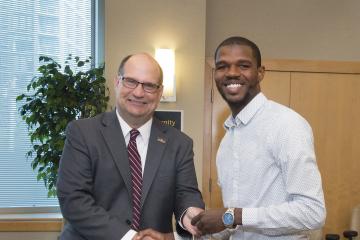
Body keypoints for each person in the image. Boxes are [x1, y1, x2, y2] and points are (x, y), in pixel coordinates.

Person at [57, 53, 204, 240]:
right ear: (117, 82)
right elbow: (74, 200)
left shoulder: (180, 143)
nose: (139, 92)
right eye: (131, 81)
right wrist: (129, 237)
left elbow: (186, 193)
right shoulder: (83, 133)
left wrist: (189, 214)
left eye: (149, 85)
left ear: (160, 92)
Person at [191, 36, 326, 239]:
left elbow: (312, 212)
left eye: (243, 65)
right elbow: (236, 224)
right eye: (222, 66)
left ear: (260, 73)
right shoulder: (227, 141)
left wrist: (232, 216)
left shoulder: (287, 125)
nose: (232, 73)